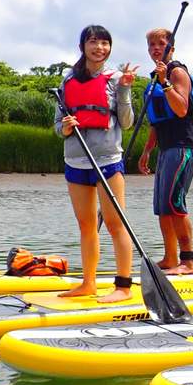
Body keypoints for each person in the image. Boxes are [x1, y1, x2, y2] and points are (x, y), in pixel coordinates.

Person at [55, 24, 138, 303]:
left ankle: (123, 287)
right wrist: (65, 127)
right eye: (93, 42)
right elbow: (57, 126)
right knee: (86, 226)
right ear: (83, 46)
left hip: (107, 160)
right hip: (76, 161)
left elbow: (126, 122)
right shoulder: (68, 80)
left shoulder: (116, 79)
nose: (99, 48)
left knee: (116, 224)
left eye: (104, 43)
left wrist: (125, 90)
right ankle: (88, 283)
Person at [137, 28, 193, 275]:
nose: (155, 48)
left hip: (183, 146)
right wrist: (147, 152)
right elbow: (156, 122)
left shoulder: (176, 72)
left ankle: (188, 262)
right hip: (166, 148)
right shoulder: (155, 77)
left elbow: (182, 108)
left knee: (175, 203)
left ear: (171, 48)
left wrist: (165, 82)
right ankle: (170, 257)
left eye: (161, 44)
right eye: (151, 44)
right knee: (162, 207)